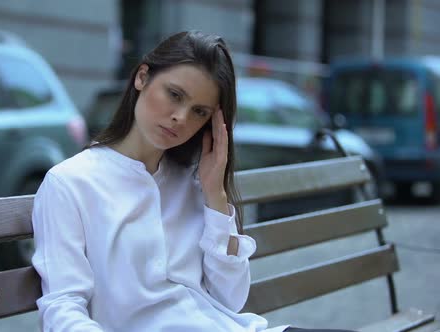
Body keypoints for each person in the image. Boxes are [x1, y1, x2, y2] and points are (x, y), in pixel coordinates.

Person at [31, 30, 353, 332]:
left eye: (199, 112)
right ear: (142, 77)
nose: (181, 118)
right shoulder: (71, 183)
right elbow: (63, 305)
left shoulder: (193, 182)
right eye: (174, 94)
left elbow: (231, 299)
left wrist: (216, 196)